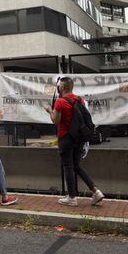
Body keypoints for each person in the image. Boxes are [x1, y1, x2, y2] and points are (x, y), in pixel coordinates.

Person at [45, 77, 104, 207]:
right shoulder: (80, 100)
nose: (58, 87)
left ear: (63, 87)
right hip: (78, 138)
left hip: (66, 137)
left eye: (59, 85)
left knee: (68, 167)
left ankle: (72, 197)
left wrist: (50, 111)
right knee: (76, 166)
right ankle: (96, 191)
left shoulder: (60, 101)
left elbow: (56, 120)